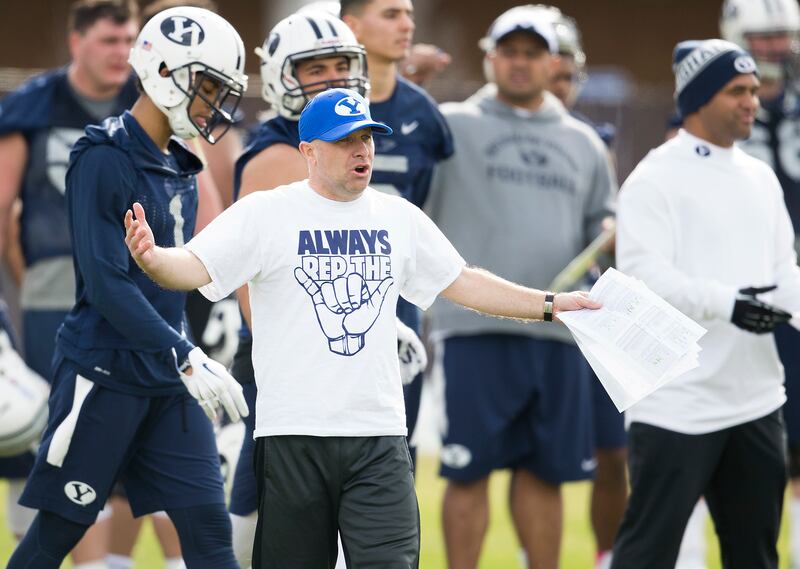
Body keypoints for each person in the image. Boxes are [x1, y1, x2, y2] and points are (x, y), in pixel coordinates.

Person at [124, 86, 600, 569]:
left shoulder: (398, 218)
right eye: (346, 139)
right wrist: (151, 256)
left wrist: (548, 305)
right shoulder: (267, 213)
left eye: (368, 137)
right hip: (293, 436)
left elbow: (464, 283)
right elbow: (191, 267)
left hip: (378, 437)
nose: (362, 150)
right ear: (308, 151)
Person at [6, 6, 249, 569]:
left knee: (211, 535)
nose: (215, 101)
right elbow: (108, 286)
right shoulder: (101, 156)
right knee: (56, 534)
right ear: (163, 72)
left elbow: (180, 270)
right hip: (105, 376)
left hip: (168, 380)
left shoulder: (180, 164)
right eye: (207, 84)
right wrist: (185, 352)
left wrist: (206, 331)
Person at [424, 5, 617, 568]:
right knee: (468, 470)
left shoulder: (583, 143)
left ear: (551, 61)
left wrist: (611, 235)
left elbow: (599, 233)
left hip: (560, 330)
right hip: (473, 325)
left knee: (545, 474)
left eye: (533, 53)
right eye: (509, 51)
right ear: (489, 56)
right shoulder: (450, 125)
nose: (520, 62)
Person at [611, 38, 796, 569]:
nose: (751, 102)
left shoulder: (760, 177)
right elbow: (643, 277)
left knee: (756, 555)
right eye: (737, 90)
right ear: (698, 98)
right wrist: (727, 303)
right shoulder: (654, 176)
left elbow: (783, 273)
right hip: (676, 404)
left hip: (757, 400)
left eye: (754, 90)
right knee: (647, 554)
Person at [227, 10, 371, 568]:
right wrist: (284, 352)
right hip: (291, 356)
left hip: (337, 348)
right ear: (284, 77)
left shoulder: (349, 143)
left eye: (342, 65)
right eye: (316, 68)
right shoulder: (277, 156)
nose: (334, 78)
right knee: (268, 495)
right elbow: (246, 274)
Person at [0, 2, 139, 566]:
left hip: (136, 294)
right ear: (76, 39)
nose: (122, 52)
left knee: (129, 444)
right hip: (53, 297)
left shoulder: (148, 97)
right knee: (42, 441)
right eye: (109, 39)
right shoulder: (34, 105)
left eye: (129, 39)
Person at [340, 0, 454, 467]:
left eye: (408, 14)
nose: (407, 25)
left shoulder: (424, 116)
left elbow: (421, 206)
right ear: (352, 25)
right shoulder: (318, 105)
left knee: (394, 450)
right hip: (325, 288)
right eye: (390, 14)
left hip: (397, 302)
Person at [721, 2, 800, 567]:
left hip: (796, 295)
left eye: (782, 36)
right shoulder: (710, 105)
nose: (773, 48)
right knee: (725, 437)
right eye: (762, 37)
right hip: (736, 296)